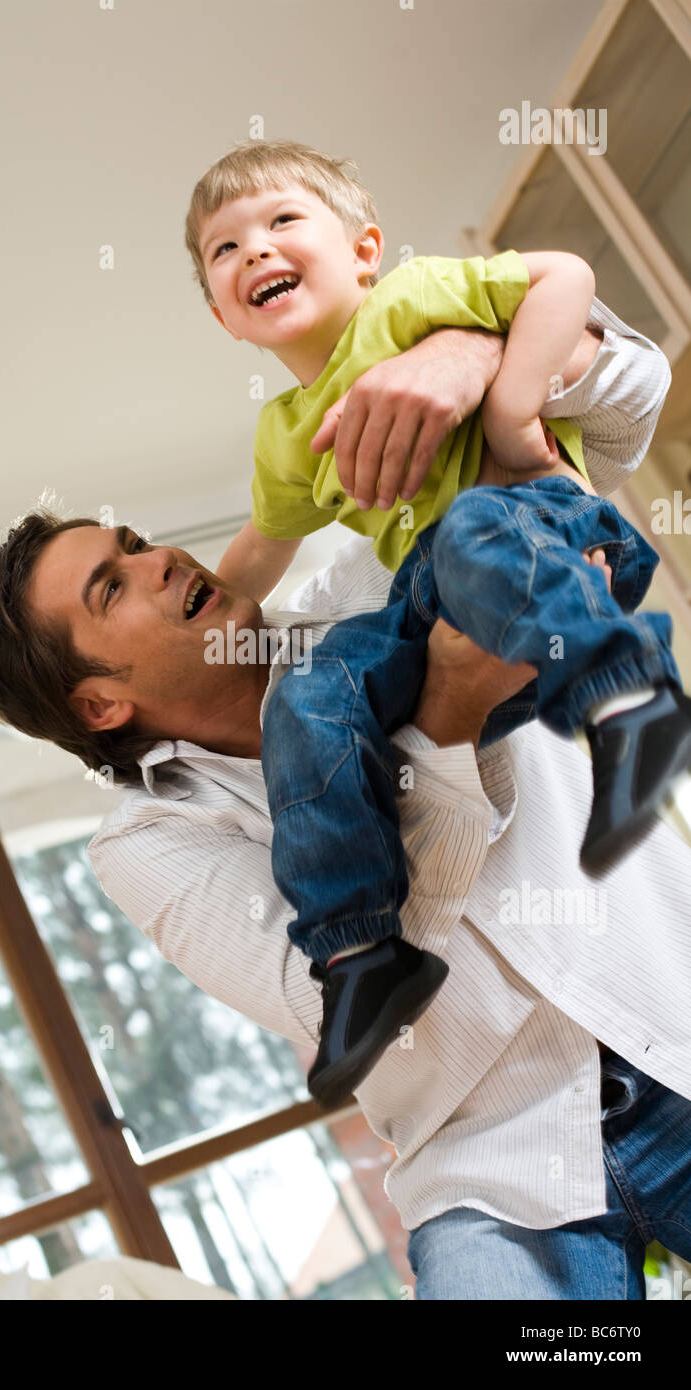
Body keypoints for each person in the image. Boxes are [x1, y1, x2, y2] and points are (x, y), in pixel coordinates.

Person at [0, 306, 691, 1299]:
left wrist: (474, 358)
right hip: (493, 1169)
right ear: (99, 701)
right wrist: (441, 720)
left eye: (131, 541)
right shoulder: (146, 843)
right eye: (110, 586)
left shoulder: (377, 579)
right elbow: (334, 999)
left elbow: (627, 399)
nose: (160, 557)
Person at [186, 139, 691, 1106]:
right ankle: (364, 952)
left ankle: (632, 702)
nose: (255, 250)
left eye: (282, 222)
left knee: (470, 528)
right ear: (222, 316)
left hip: (536, 534)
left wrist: (509, 409)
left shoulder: (411, 304)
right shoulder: (286, 435)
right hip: (436, 593)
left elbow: (563, 276)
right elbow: (257, 555)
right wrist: (202, 621)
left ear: (365, 248)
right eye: (225, 248)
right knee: (310, 695)